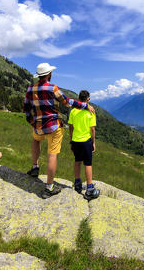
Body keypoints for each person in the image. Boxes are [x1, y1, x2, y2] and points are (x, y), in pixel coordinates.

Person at [23, 62, 95, 198]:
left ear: (39, 75)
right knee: (52, 154)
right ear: (49, 74)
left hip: (38, 125)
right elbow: (67, 102)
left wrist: (32, 121)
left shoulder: (30, 89)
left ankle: (34, 167)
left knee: (35, 140)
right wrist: (84, 105)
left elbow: (26, 109)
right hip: (53, 126)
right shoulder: (52, 88)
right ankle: (49, 187)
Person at [68, 90, 100, 201]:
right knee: (88, 164)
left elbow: (71, 127)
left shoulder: (73, 111)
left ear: (78, 98)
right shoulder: (90, 112)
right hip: (86, 141)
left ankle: (77, 183)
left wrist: (71, 140)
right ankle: (90, 189)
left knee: (77, 161)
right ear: (88, 99)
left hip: (75, 140)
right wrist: (94, 142)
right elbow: (92, 129)